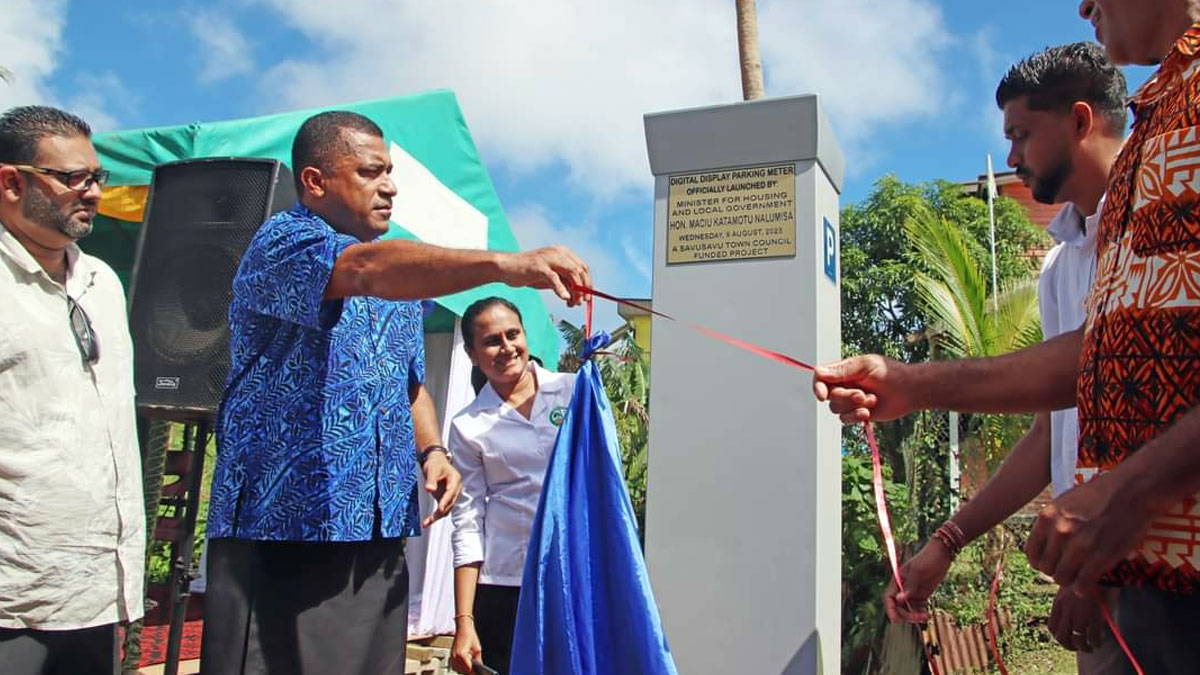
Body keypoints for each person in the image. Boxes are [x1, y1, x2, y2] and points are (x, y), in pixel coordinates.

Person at [815, 2, 1200, 669]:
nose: (1082, 6)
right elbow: (1102, 360)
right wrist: (912, 383)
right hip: (1150, 589)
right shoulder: (1155, 128)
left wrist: (1127, 495)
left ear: (1080, 122)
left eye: (1023, 134)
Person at [200, 111, 591, 675]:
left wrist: (432, 451)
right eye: (369, 171)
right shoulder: (286, 242)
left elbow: (408, 383)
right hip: (286, 526)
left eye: (390, 171)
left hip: (377, 525)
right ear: (315, 183)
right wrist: (506, 265)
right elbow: (362, 271)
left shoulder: (401, 281)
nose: (389, 186)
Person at [881, 42, 1128, 672]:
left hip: (1158, 570)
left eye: (1021, 134)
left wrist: (1097, 568)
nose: (1012, 156)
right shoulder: (1060, 265)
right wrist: (945, 543)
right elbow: (1055, 429)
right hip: (1105, 584)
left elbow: (1160, 400)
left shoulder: (1159, 222)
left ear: (1079, 121)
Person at [0, 105, 143, 674]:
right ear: (11, 181)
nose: (91, 192)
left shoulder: (101, 281)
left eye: (97, 178)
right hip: (16, 594)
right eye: (71, 178)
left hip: (98, 589)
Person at [446, 297, 576, 675]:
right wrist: (464, 620)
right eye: (491, 341)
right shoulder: (467, 425)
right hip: (506, 584)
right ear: (472, 354)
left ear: (525, 336)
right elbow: (468, 520)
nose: (506, 348)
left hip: (573, 572)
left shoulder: (573, 392)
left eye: (512, 334)